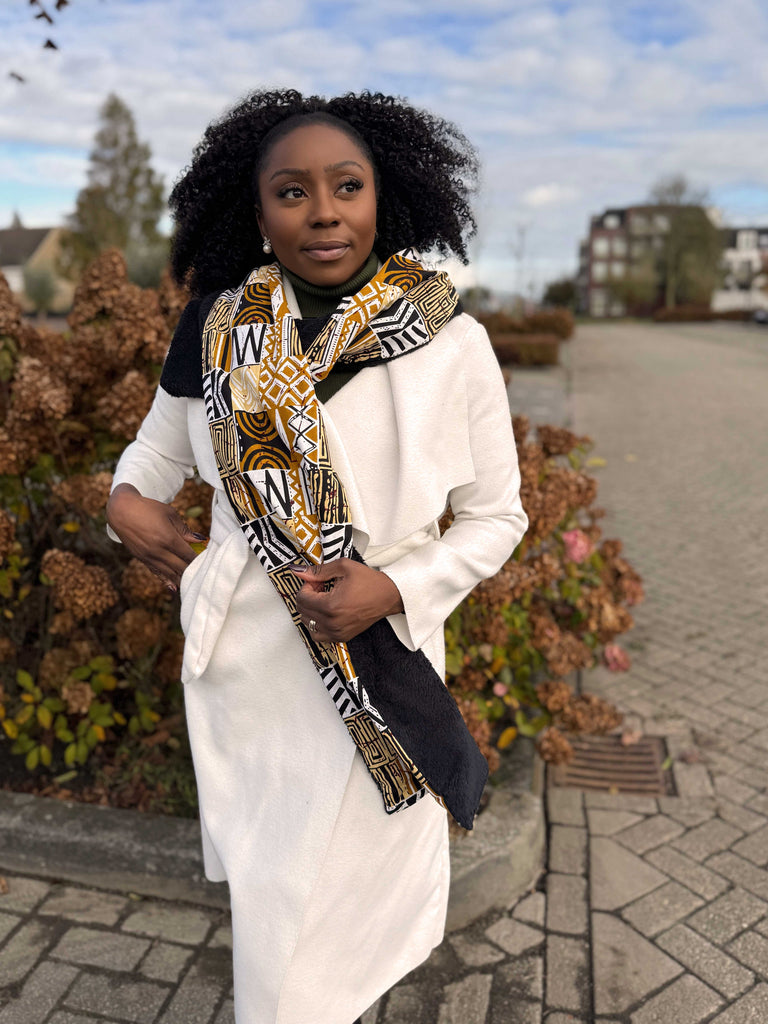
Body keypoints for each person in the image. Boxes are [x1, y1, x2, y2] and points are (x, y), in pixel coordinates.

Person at [106, 89, 528, 1024]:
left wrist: (394, 588)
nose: (324, 211)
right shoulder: (217, 330)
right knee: (276, 913)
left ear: (385, 196)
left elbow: (497, 517)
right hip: (249, 676)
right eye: (292, 192)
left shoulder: (451, 343)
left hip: (377, 667)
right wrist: (124, 504)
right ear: (257, 213)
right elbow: (153, 456)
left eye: (347, 186)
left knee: (311, 944)